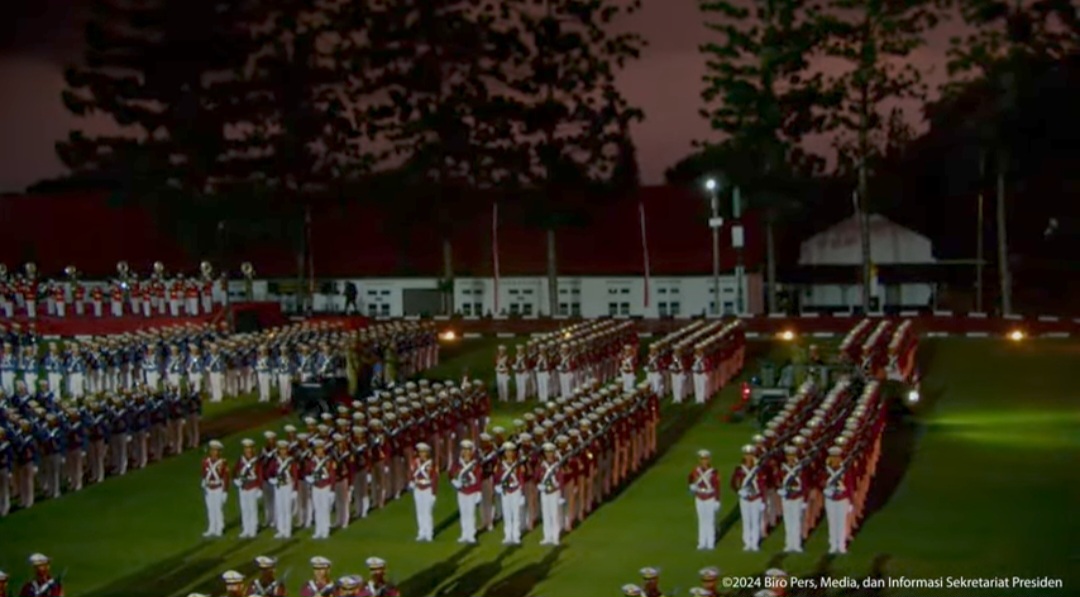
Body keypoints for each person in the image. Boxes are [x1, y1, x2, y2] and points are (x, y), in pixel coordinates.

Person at [732, 444, 766, 552]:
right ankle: (747, 543)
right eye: (747, 454)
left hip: (756, 498)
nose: (748, 457)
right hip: (745, 498)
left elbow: (762, 485)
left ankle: (755, 543)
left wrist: (762, 499)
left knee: (755, 521)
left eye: (750, 454)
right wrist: (739, 491)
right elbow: (733, 483)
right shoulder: (739, 469)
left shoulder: (759, 469)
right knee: (746, 521)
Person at [450, 439, 483, 544]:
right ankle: (464, 533)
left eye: (468, 450)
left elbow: (478, 477)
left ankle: (471, 534)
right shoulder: (458, 463)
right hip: (461, 491)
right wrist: (454, 481)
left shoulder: (475, 464)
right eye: (464, 449)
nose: (466, 452)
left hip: (472, 491)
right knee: (463, 513)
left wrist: (479, 491)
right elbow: (451, 473)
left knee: (471, 512)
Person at [822, 446, 854, 554]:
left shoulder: (844, 470)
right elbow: (821, 482)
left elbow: (849, 485)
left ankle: (841, 545)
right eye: (833, 457)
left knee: (841, 523)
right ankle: (832, 545)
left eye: (837, 457)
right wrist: (826, 490)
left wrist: (850, 501)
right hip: (830, 499)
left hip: (842, 499)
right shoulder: (826, 470)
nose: (835, 460)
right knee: (832, 522)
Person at [689, 449, 720, 550]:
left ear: (709, 460)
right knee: (701, 521)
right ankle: (702, 542)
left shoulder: (713, 472)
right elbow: (690, 480)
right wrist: (692, 487)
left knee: (710, 521)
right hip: (699, 497)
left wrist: (717, 500)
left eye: (706, 459)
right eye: (702, 459)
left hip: (710, 497)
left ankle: (710, 542)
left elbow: (717, 486)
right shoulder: (695, 471)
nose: (704, 461)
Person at [779, 445, 808, 553]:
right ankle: (788, 544)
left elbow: (805, 484)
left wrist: (804, 499)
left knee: (796, 521)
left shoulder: (800, 469)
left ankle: (796, 544)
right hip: (786, 497)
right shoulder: (783, 468)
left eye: (792, 455)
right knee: (787, 521)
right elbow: (779, 480)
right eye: (788, 455)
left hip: (797, 497)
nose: (790, 458)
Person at [495, 441, 526, 545]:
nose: (509, 453)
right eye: (507, 451)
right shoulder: (501, 465)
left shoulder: (517, 464)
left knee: (516, 513)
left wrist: (521, 492)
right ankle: (507, 535)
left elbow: (521, 477)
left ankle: (516, 535)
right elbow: (498, 477)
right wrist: (498, 486)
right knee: (507, 513)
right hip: (505, 490)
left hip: (516, 489)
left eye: (511, 451)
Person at [267, 439, 298, 539]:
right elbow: (269, 472)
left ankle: (287, 530)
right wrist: (272, 479)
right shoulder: (275, 461)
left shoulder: (291, 461)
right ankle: (281, 530)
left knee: (287, 508)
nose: (283, 451)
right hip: (278, 486)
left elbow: (295, 475)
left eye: (284, 449)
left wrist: (295, 489)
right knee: (280, 508)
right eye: (281, 449)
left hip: (288, 486)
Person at [306, 439, 337, 540]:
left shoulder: (328, 461)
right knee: (317, 509)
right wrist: (308, 478)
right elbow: (307, 471)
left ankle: (325, 530)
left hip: (325, 486)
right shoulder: (312, 461)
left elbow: (332, 474)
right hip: (315, 486)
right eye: (317, 449)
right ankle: (318, 530)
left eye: (320, 449)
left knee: (325, 508)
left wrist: (332, 490)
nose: (319, 451)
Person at [234, 438, 263, 538]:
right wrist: (236, 480)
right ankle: (246, 528)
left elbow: (260, 474)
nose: (248, 450)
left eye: (249, 448)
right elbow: (235, 471)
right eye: (246, 448)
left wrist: (260, 488)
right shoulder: (241, 460)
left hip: (253, 486)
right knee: (244, 508)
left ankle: (253, 528)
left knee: (252, 508)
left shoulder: (256, 461)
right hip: (243, 486)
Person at [536, 441, 564, 546]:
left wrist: (556, 487)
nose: (549, 454)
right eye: (547, 452)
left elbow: (560, 478)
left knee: (554, 514)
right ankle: (547, 536)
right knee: (546, 514)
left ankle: (555, 537)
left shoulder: (557, 465)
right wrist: (539, 485)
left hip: (554, 492)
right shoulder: (542, 465)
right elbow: (537, 476)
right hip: (544, 492)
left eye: (550, 452)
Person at [409, 442, 437, 542]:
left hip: (427, 488)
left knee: (427, 512)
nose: (422, 454)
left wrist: (434, 493)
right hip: (418, 488)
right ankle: (421, 532)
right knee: (419, 512)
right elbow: (412, 473)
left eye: (424, 452)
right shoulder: (415, 462)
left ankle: (429, 533)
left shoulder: (431, 463)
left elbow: (434, 478)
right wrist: (411, 481)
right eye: (420, 452)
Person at [202, 439, 229, 538]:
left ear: (219, 452)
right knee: (210, 509)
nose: (214, 452)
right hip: (209, 488)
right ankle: (211, 527)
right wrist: (204, 484)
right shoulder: (205, 461)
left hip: (218, 488)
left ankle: (220, 527)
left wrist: (225, 491)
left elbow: (226, 477)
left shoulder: (222, 463)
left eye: (216, 450)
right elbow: (204, 474)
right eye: (212, 450)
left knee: (218, 509)